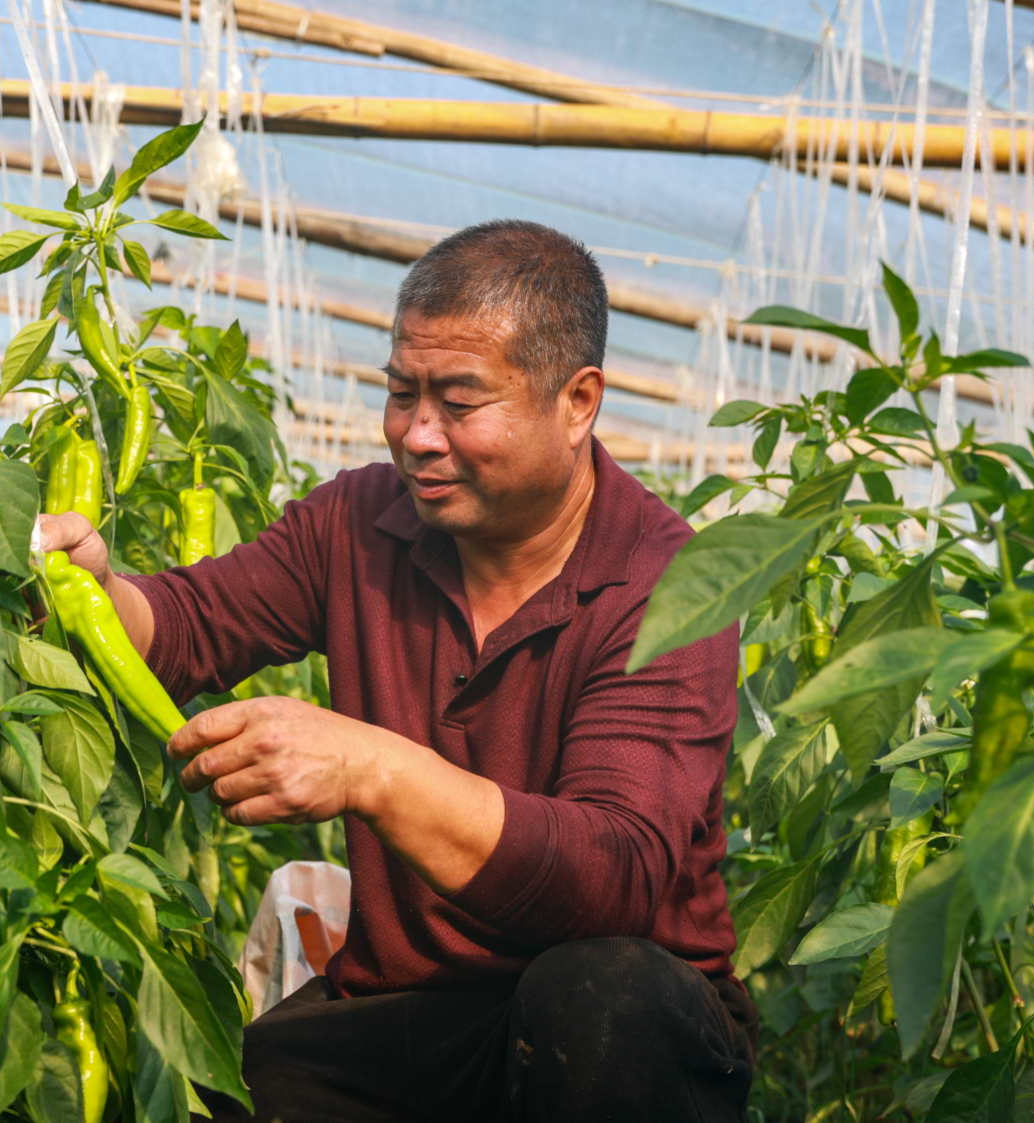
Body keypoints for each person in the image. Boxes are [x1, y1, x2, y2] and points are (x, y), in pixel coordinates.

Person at [37, 219, 755, 1123]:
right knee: (207, 1091)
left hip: (614, 1038)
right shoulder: (360, 524)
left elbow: (608, 877)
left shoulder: (665, 582)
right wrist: (99, 593)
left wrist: (370, 769)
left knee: (601, 994)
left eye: (459, 401)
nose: (417, 434)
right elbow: (189, 625)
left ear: (578, 402)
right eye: (401, 392)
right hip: (406, 1009)